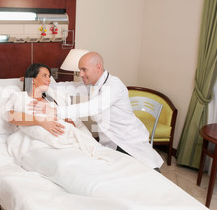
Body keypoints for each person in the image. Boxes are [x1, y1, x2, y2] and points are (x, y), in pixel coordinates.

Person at [33, 51, 163, 170]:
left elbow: (93, 107)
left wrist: (55, 112)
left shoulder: (113, 85)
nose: (81, 74)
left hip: (129, 142)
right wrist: (38, 82)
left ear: (98, 67)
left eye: (84, 70)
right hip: (111, 144)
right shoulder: (93, 85)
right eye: (80, 70)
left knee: (147, 175)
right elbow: (69, 87)